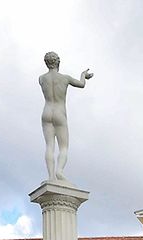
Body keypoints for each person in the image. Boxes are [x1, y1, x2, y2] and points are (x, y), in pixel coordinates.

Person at [39, 52, 92, 182]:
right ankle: (59, 171)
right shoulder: (65, 78)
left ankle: (51, 176)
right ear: (58, 62)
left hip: (46, 112)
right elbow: (81, 84)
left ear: (46, 63)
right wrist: (83, 75)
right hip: (59, 112)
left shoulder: (41, 78)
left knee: (49, 146)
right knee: (63, 147)